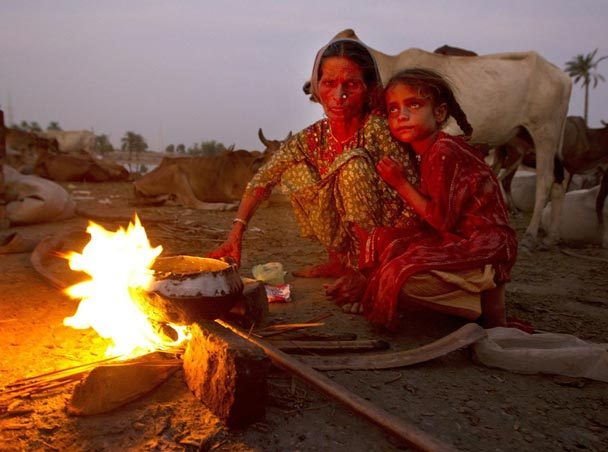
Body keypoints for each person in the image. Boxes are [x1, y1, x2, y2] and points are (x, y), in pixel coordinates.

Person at [207, 38, 418, 276]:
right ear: (318, 87)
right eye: (329, 83)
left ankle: (366, 270)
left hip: (387, 238)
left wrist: (384, 257)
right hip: (348, 238)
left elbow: (412, 195)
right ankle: (339, 261)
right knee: (292, 170)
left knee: (353, 165)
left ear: (369, 88)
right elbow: (263, 179)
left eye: (351, 84)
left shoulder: (379, 130)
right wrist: (236, 234)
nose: (339, 96)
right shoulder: (313, 137)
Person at [327, 68, 518, 330]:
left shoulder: (442, 151)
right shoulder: (430, 150)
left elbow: (441, 220)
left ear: (439, 113)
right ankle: (464, 293)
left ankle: (474, 297)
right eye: (393, 109)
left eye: (413, 105)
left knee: (398, 279)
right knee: (382, 239)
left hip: (482, 244)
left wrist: (400, 183)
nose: (402, 116)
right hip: (459, 237)